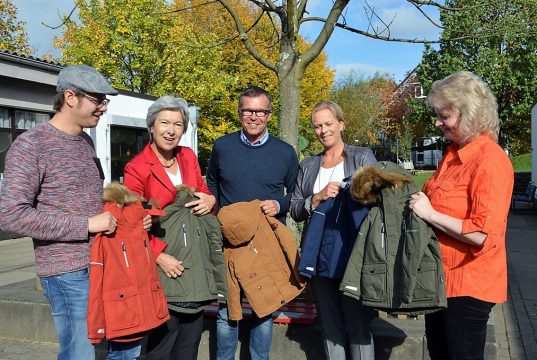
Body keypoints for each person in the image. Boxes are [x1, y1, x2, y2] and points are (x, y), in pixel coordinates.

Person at [0, 65, 150, 360]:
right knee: (80, 354)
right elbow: (11, 215)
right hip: (67, 272)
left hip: (105, 262)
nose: (103, 108)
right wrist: (86, 225)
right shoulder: (31, 145)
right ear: (70, 97)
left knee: (127, 346)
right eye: (98, 100)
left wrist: (128, 216)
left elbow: (93, 201)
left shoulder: (86, 142)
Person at [409, 71, 514, 360]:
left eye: (445, 116)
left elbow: (482, 234)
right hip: (443, 280)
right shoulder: (453, 154)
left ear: (469, 115)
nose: (438, 122)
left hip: (469, 284)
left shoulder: (490, 160)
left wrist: (430, 213)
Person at [206, 85, 299, 359]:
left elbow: (296, 194)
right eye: (248, 110)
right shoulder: (223, 146)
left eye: (260, 111)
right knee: (226, 311)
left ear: (269, 114)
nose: (254, 116)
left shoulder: (285, 152)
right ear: (240, 113)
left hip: (265, 245)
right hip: (229, 244)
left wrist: (279, 204)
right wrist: (216, 211)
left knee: (264, 310)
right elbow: (212, 182)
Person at [123, 95, 216, 359]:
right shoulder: (137, 168)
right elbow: (130, 224)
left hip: (193, 260)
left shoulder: (187, 156)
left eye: (178, 124)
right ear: (151, 126)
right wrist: (158, 255)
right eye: (164, 122)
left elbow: (202, 191)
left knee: (189, 344)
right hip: (164, 263)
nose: (171, 130)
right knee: (160, 345)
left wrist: (210, 198)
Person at [290, 100, 376, 359]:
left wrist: (354, 192)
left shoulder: (361, 156)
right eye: (317, 126)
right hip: (318, 253)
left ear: (341, 124)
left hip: (353, 252)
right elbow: (295, 209)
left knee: (358, 324)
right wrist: (316, 198)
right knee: (329, 326)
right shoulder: (308, 166)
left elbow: (377, 201)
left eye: (328, 124)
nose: (323, 130)